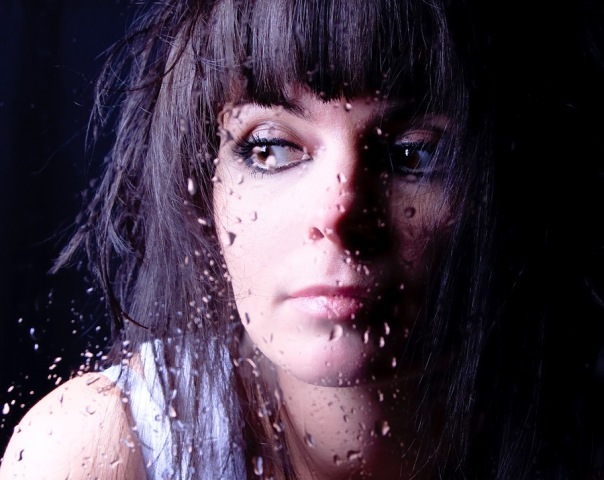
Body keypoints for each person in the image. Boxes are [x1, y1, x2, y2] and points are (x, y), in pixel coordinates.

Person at [1, 0, 604, 478]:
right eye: (270, 149)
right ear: (207, 185)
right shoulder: (102, 451)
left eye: (413, 154)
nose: (338, 215)